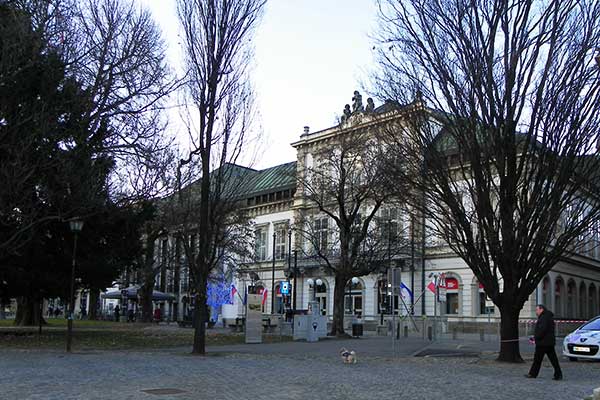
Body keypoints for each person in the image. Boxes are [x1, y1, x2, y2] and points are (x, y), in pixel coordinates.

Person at [526, 304, 563, 380]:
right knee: (553, 359)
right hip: (549, 342)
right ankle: (558, 374)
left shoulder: (543, 318)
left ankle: (533, 374)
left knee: (537, 359)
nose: (536, 312)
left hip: (543, 342)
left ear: (541, 309)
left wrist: (535, 337)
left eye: (537, 310)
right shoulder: (548, 317)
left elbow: (542, 330)